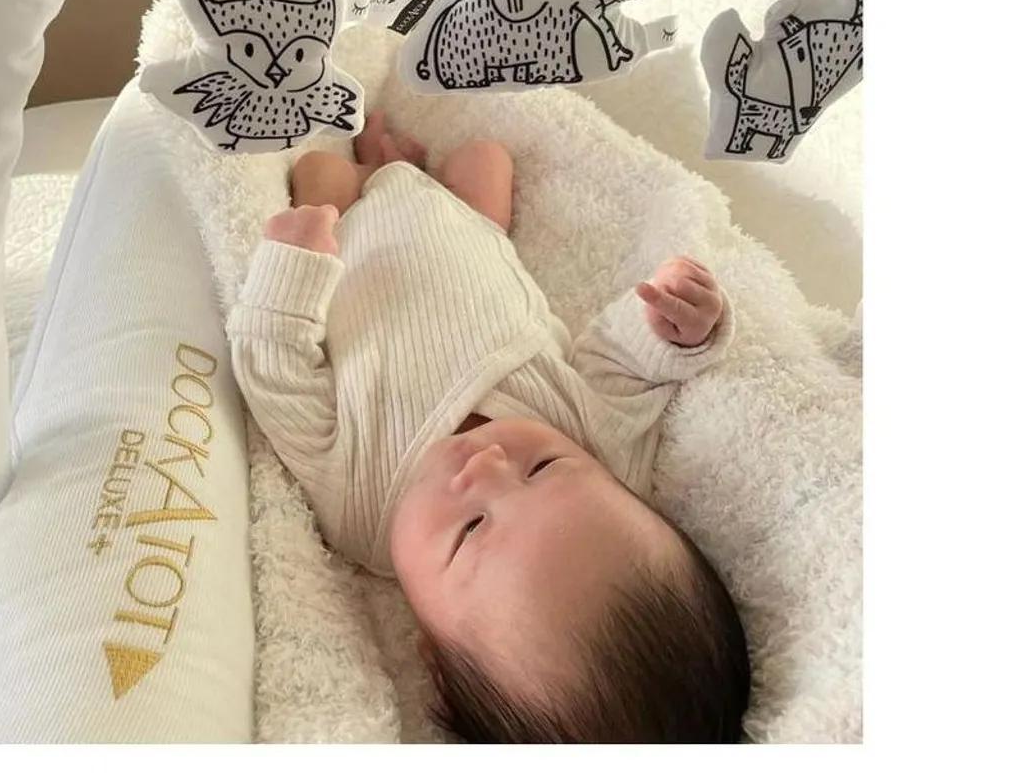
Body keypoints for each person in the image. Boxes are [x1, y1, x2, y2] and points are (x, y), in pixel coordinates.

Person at [226, 112, 751, 743]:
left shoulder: (360, 504)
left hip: (351, 244)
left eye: (471, 529)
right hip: (472, 229)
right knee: (485, 158)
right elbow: (624, 364)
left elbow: (276, 378)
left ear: (431, 649)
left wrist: (293, 266)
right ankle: (401, 165)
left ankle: (372, 167)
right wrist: (678, 330)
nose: (491, 463)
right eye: (542, 468)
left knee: (319, 171)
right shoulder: (598, 445)